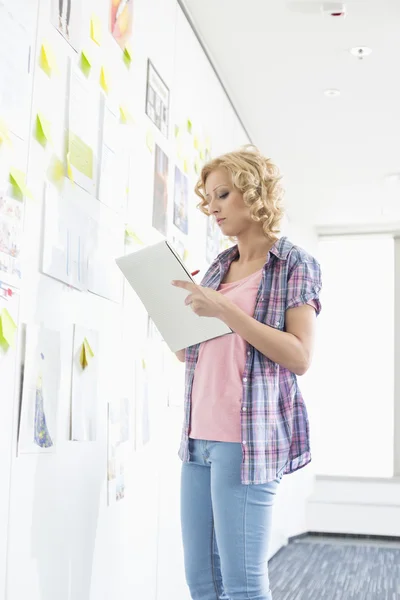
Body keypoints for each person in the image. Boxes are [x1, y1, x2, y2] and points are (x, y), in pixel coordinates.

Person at [171, 146, 322, 600]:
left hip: (247, 441)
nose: (212, 207)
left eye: (223, 194)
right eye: (208, 198)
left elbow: (299, 356)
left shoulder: (294, 264)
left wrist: (221, 308)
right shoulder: (219, 266)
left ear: (254, 195)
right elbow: (191, 355)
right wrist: (169, 314)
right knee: (201, 580)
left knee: (241, 585)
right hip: (198, 439)